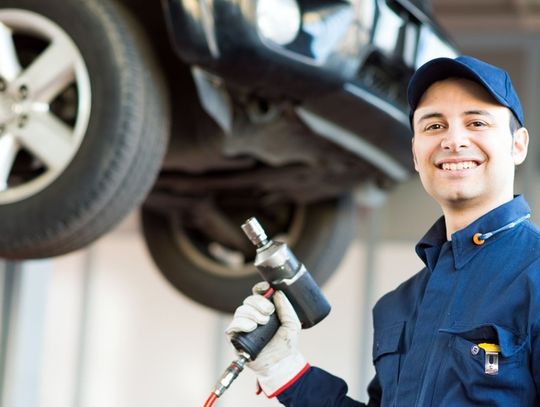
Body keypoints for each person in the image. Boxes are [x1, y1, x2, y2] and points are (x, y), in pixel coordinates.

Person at [225, 55, 540, 406]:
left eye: (477, 122)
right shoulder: (398, 306)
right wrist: (282, 368)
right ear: (416, 154)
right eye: (433, 127)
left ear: (518, 144)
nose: (453, 140)